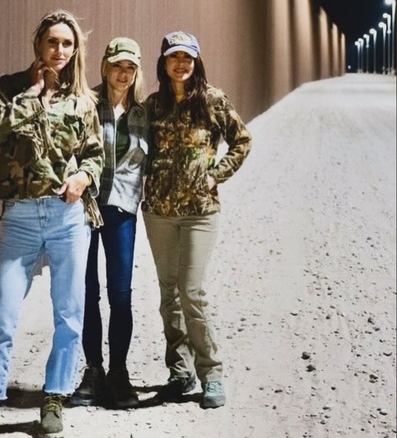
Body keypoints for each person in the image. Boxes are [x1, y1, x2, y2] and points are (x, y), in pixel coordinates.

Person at [0, 10, 103, 438]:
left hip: (67, 217)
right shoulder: (10, 87)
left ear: (76, 48)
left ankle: (54, 397)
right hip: (22, 217)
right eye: (52, 42)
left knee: (69, 313)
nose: (59, 51)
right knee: (3, 314)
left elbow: (96, 154)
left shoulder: (84, 99)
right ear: (38, 44)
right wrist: (35, 92)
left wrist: (83, 177)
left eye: (67, 43)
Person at [142, 31, 252, 409]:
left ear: (197, 62)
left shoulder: (213, 100)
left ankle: (212, 373)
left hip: (199, 212)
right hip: (158, 211)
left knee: (192, 293)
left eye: (187, 58)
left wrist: (215, 174)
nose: (181, 64)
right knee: (168, 294)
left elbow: (242, 140)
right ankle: (180, 370)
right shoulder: (153, 105)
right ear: (164, 63)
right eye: (174, 57)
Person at [69, 37, 148, 409]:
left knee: (120, 293)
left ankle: (119, 372)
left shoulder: (144, 113)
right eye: (117, 65)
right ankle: (94, 371)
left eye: (130, 67)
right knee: (87, 291)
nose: (123, 73)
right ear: (104, 66)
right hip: (85, 209)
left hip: (121, 210)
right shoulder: (85, 103)